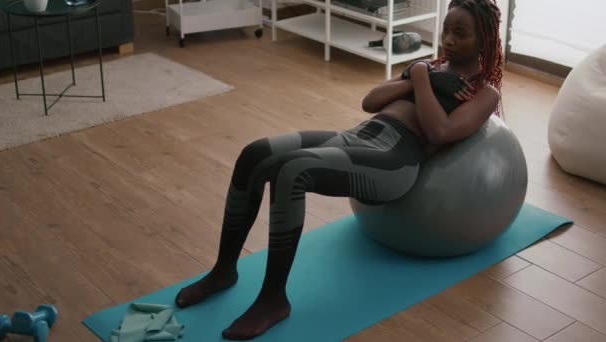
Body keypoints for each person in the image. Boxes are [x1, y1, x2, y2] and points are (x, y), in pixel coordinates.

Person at [174, 0, 504, 339]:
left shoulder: (483, 92)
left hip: (396, 160)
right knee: (255, 153)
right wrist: (420, 75)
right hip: (360, 135)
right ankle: (223, 270)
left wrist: (421, 78)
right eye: (446, 29)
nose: (447, 39)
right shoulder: (431, 67)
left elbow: (441, 132)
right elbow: (371, 101)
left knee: (292, 170)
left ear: (485, 40)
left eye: (460, 34)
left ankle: (273, 299)